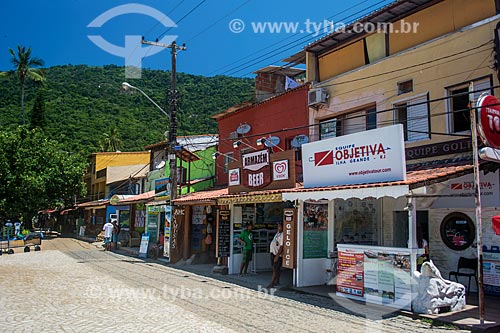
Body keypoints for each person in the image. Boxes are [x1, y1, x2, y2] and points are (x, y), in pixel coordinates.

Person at [267, 223, 283, 289]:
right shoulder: (278, 233)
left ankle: (272, 283)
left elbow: (282, 246)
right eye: (278, 226)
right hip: (273, 252)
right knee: (276, 268)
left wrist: (277, 256)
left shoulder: (283, 235)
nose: (278, 227)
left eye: (279, 226)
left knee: (275, 269)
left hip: (277, 254)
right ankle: (277, 281)